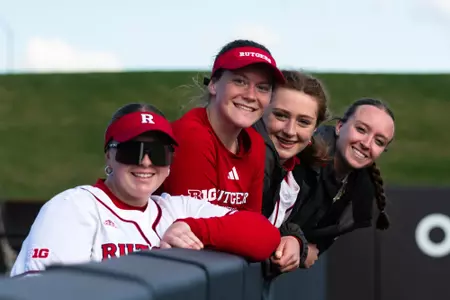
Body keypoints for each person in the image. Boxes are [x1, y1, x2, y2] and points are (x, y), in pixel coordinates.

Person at [10, 103, 281, 277]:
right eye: (132, 150)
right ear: (109, 156)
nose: (146, 162)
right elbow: (42, 291)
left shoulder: (176, 208)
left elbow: (265, 235)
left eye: (158, 153)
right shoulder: (73, 207)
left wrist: (194, 229)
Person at [161, 39, 286, 212]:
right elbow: (194, 226)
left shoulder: (255, 143)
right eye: (240, 81)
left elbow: (254, 223)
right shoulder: (191, 135)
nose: (251, 95)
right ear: (213, 84)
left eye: (262, 88)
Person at [274, 98, 395, 274]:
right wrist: (299, 243)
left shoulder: (362, 190)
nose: (366, 144)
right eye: (361, 129)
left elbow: (316, 249)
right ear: (339, 127)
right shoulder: (300, 153)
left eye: (379, 141)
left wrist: (301, 246)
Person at [252, 70, 331, 274]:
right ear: (260, 112)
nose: (289, 130)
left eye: (303, 122)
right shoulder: (238, 157)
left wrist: (295, 240)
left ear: (315, 130)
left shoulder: (301, 174)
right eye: (280, 115)